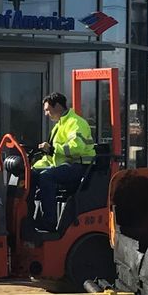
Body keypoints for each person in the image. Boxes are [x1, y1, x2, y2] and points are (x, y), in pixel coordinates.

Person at [31, 91, 95, 230]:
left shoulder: (76, 122)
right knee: (32, 175)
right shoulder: (59, 125)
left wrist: (53, 148)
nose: (46, 114)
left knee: (46, 177)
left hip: (79, 166)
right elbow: (51, 158)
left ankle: (49, 223)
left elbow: (76, 147)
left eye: (48, 110)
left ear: (58, 106)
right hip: (65, 166)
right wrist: (32, 168)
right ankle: (30, 218)